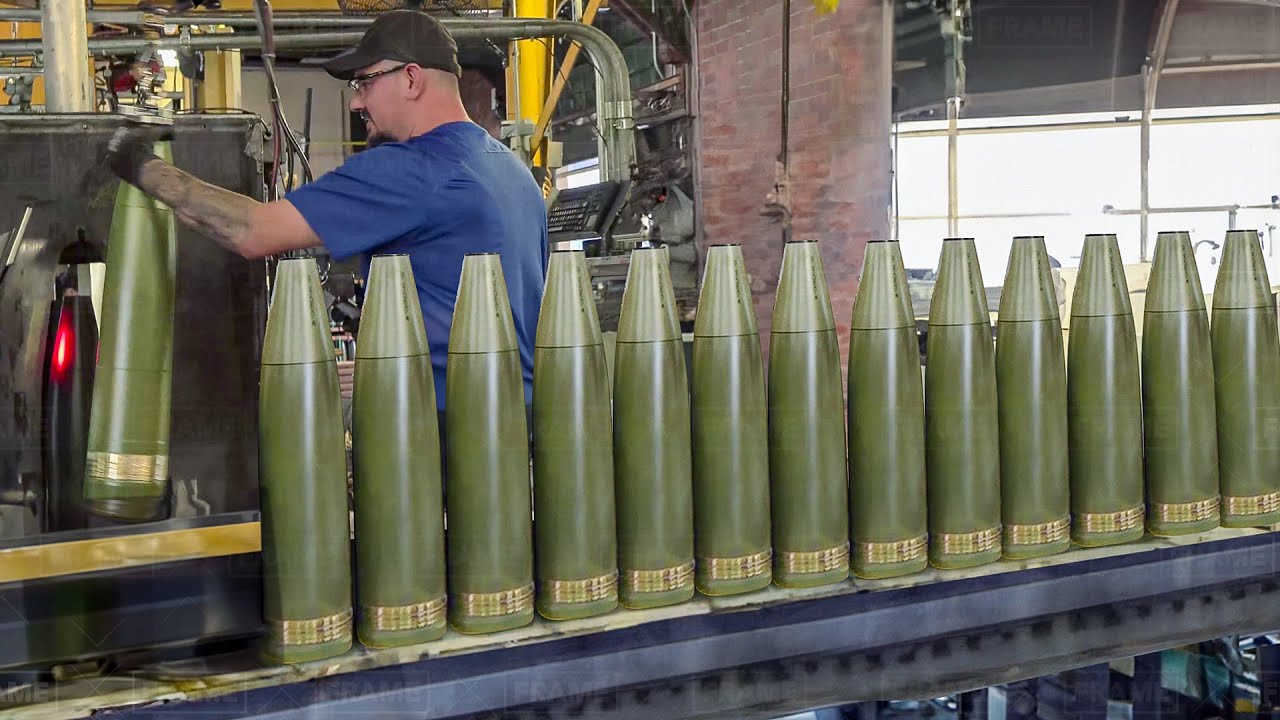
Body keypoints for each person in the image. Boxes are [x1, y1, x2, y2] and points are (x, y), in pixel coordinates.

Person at [106, 10, 549, 422]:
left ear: (411, 79)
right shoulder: (514, 173)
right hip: (519, 427)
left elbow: (252, 232)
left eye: (365, 83)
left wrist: (138, 164)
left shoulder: (411, 168)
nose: (357, 104)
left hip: (442, 438)